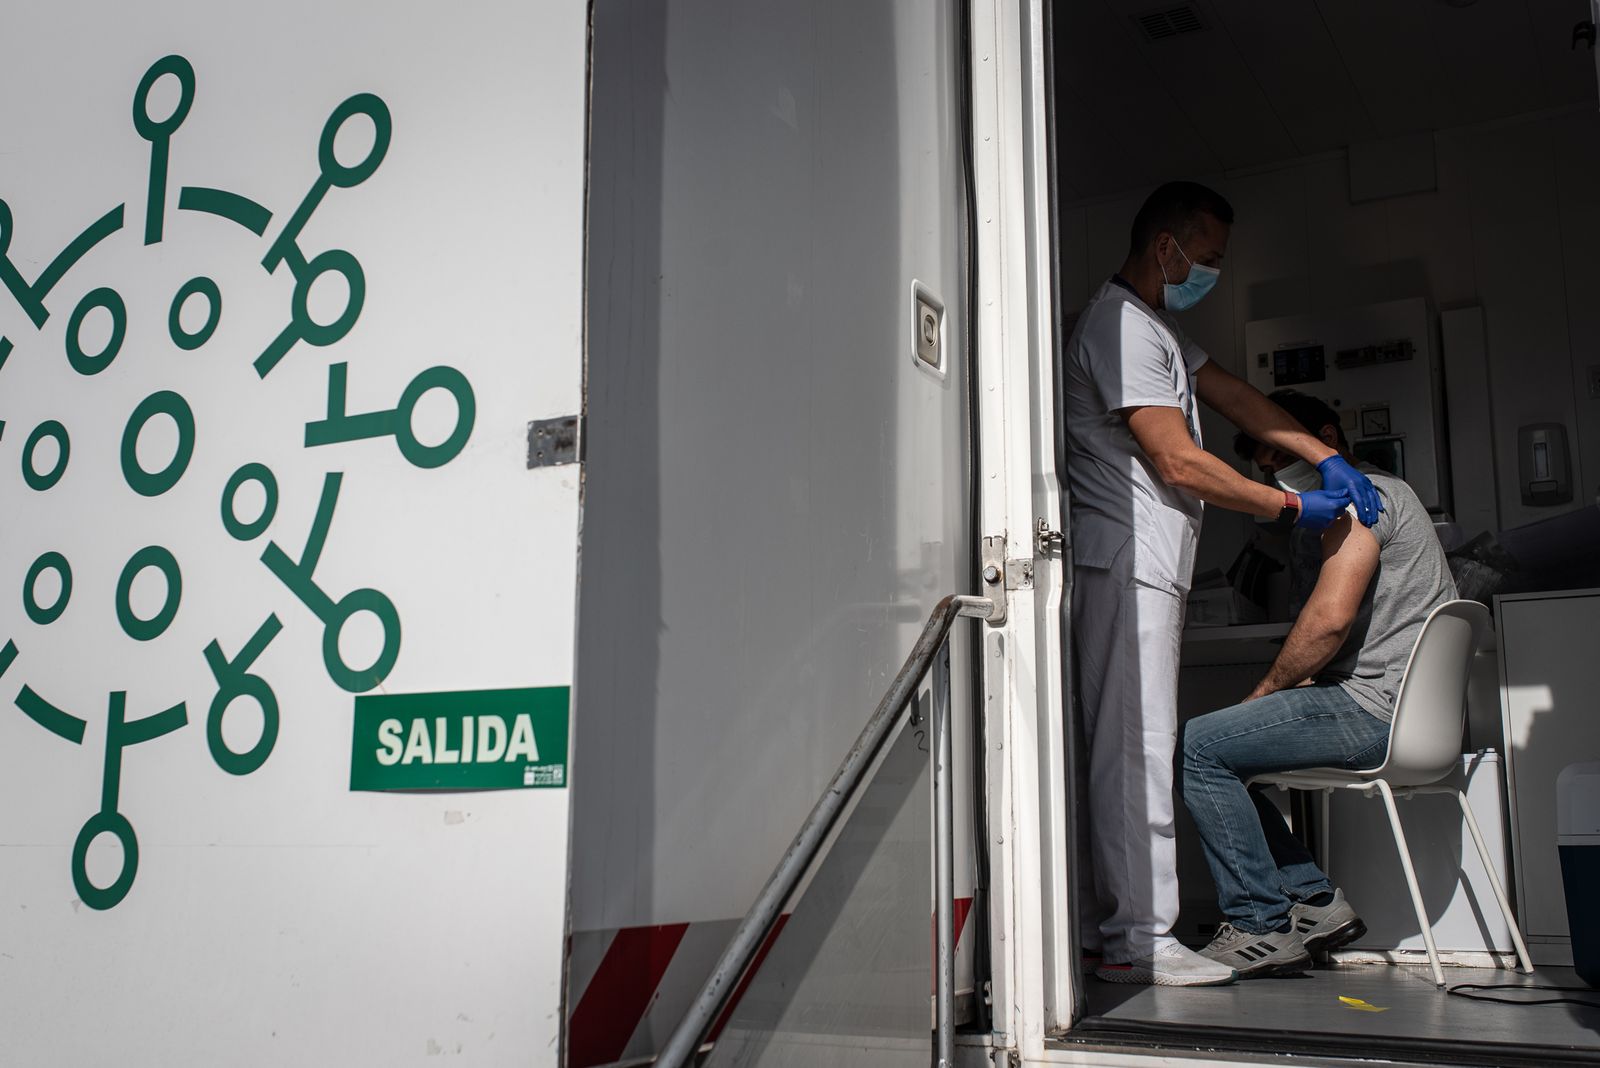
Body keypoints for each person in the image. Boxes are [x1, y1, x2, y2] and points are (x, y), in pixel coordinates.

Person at [1064, 181, 1383, 987]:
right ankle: (1138, 939)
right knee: (1135, 752)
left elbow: (1237, 397)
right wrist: (1291, 504)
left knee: (1136, 747)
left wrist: (1323, 453)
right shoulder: (1117, 326)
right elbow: (1177, 460)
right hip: (1126, 562)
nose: (1209, 272)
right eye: (1204, 258)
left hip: (1149, 565)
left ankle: (1119, 932)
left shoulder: (1157, 328)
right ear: (1164, 247)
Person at [1179, 390, 1457, 979]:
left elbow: (1328, 622)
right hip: (1402, 710)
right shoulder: (1381, 497)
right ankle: (1313, 901)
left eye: (1282, 458)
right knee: (1224, 753)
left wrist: (1264, 693)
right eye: (1267, 468)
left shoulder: (1363, 498)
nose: (1275, 474)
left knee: (1200, 747)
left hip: (1372, 708)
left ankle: (1259, 925)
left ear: (1326, 441)